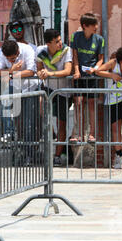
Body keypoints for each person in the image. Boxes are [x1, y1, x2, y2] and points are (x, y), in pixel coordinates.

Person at [36, 29, 73, 167]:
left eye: (60, 40)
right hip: (48, 88)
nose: (60, 43)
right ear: (48, 43)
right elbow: (38, 69)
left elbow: (67, 71)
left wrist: (49, 73)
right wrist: (41, 73)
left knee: (61, 123)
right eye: (56, 41)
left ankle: (57, 155)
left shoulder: (66, 50)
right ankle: (51, 133)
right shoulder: (41, 51)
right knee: (41, 109)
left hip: (64, 91)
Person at [70, 13, 104, 143]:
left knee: (91, 104)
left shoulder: (99, 39)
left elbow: (100, 59)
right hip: (80, 76)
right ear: (85, 26)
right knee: (78, 102)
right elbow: (75, 56)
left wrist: (95, 69)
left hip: (92, 76)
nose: (96, 27)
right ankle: (79, 133)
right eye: (93, 25)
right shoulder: (75, 37)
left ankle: (91, 133)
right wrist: (77, 70)